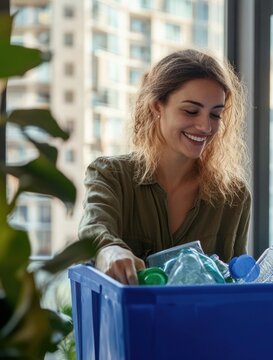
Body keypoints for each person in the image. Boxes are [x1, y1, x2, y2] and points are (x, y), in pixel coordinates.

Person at [79, 49, 251, 285]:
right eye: (191, 111)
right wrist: (109, 250)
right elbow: (93, 228)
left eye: (215, 115)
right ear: (157, 107)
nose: (205, 126)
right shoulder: (111, 175)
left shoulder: (234, 196)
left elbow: (237, 280)